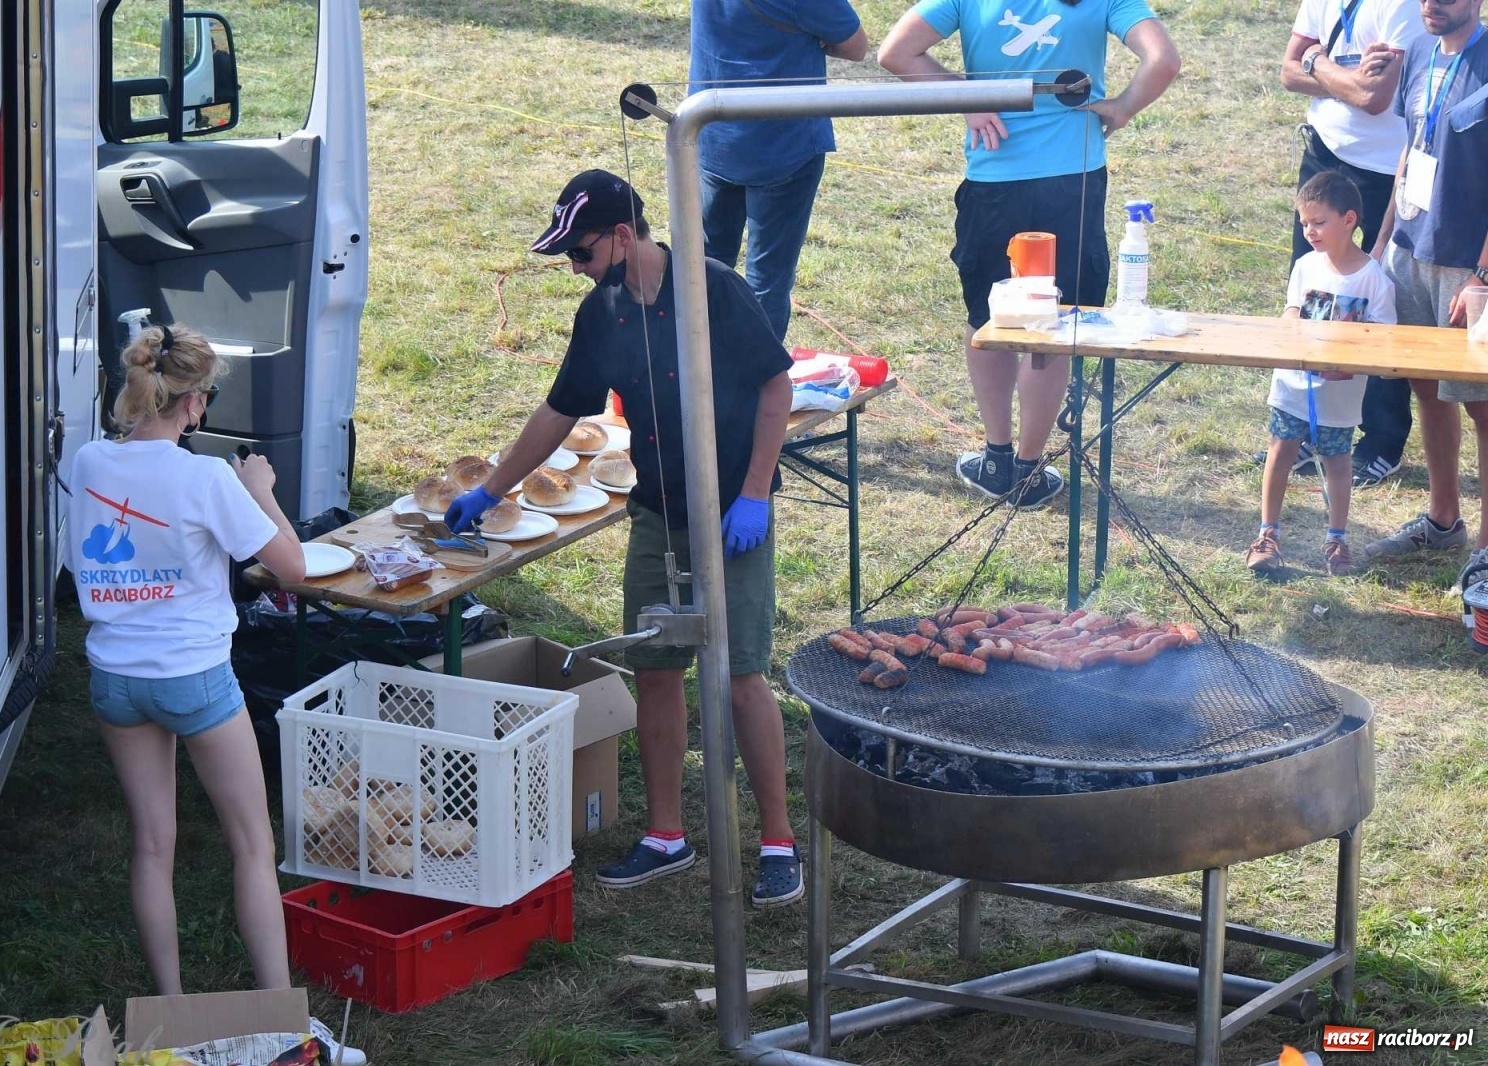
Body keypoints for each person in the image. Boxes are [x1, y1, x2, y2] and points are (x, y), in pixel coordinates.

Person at [447, 170, 803, 907]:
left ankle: (777, 842)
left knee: (739, 678)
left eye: (580, 253)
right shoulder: (602, 311)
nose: (575, 270)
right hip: (657, 513)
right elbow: (559, 410)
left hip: (732, 512)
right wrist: (493, 487)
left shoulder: (713, 291)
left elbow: (776, 388)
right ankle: (666, 836)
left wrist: (755, 494)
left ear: (620, 235)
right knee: (656, 670)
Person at [66, 326, 364, 1064]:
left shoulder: (89, 460)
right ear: (194, 404)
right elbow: (291, 569)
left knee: (151, 845)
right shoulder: (206, 479)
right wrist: (260, 491)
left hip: (114, 674)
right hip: (193, 678)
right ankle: (283, 1023)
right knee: (253, 844)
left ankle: (169, 1017)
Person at [879, 0, 1180, 510]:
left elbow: (895, 53)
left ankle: (997, 456)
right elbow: (1164, 60)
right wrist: (1125, 105)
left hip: (994, 180)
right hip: (1074, 181)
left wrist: (969, 98)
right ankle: (1030, 465)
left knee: (988, 319)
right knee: (1052, 327)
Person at [1365, 0, 1488, 605]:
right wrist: (1383, 243)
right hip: (1411, 247)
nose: (1432, 4)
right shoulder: (1417, 54)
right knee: (1427, 388)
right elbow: (1410, 151)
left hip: (1468, 262)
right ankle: (1443, 521)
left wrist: (1484, 275)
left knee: (1483, 406)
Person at [1278, 0, 1424, 488]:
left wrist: (1318, 62)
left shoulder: (1402, 6)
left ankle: (1382, 442)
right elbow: (1286, 71)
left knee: (1381, 299)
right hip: (1323, 153)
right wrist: (1341, 74)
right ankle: (1306, 429)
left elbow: (1374, 97)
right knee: (1311, 295)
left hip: (1387, 173)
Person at [690, 0, 869, 342]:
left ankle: (697, 376)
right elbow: (856, 46)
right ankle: (756, 385)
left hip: (711, 135)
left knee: (702, 270)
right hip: (783, 145)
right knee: (766, 282)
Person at [1248, 172, 1396, 578]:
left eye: (1318, 222)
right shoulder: (1305, 266)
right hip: (1293, 387)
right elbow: (1291, 309)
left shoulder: (1374, 279)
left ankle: (1336, 539)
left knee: (1337, 462)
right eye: (1304, 223)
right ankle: (1267, 534)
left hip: (1339, 398)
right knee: (1280, 453)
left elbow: (1383, 336)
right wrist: (1292, 322)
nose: (1309, 231)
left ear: (1349, 220)